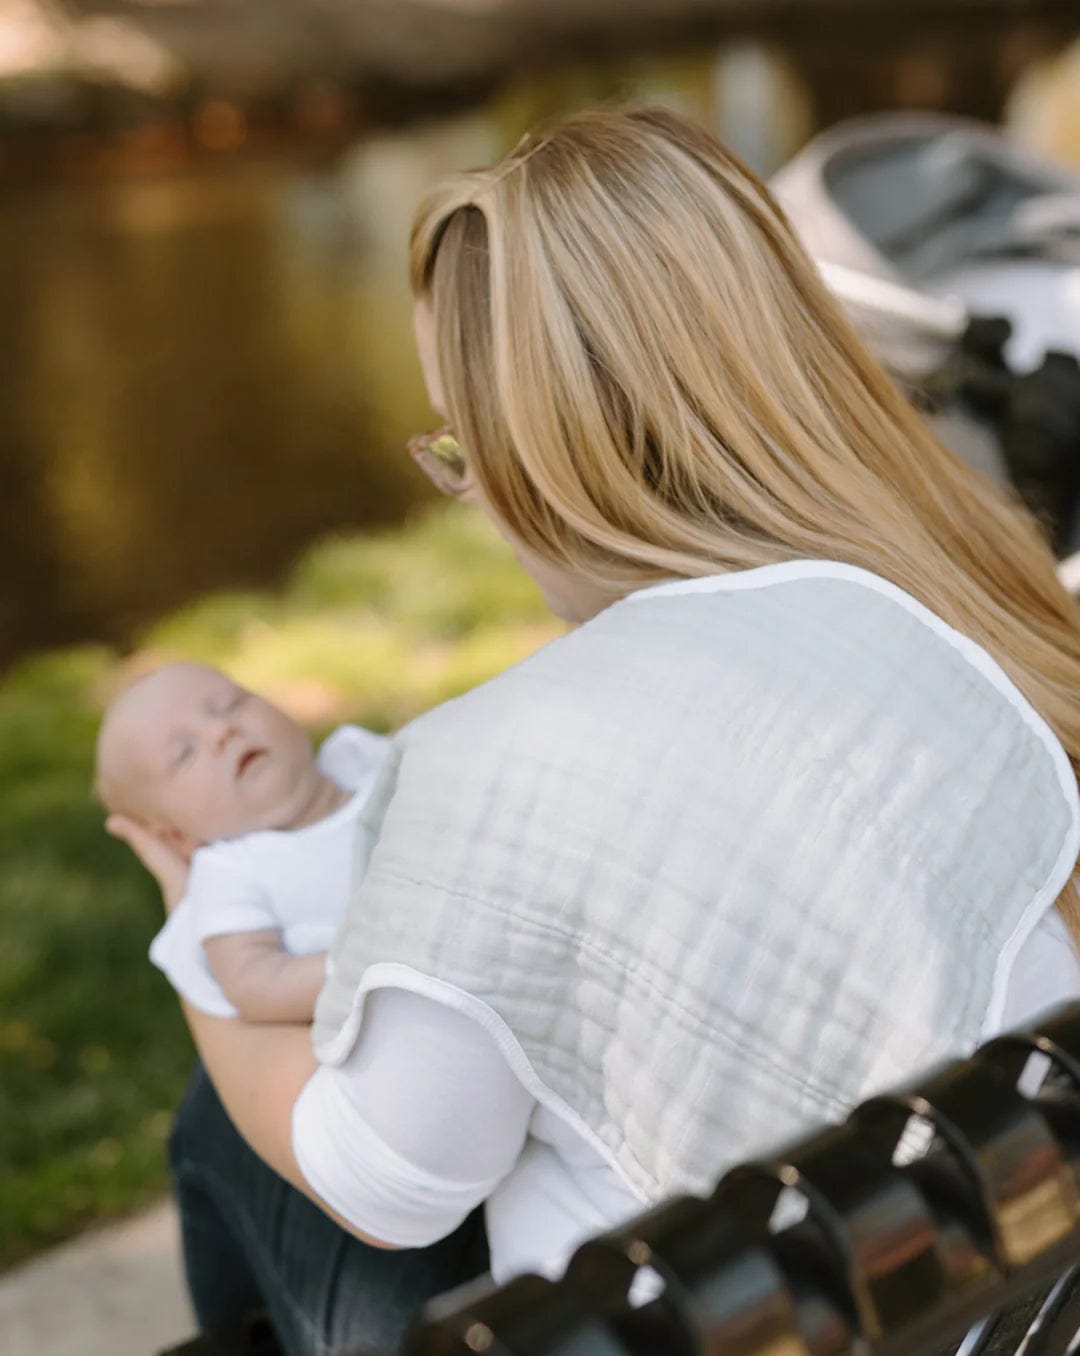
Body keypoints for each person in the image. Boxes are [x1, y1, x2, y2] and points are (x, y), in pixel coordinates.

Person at [108, 106, 1080, 1356]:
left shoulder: (513, 763)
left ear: (539, 455)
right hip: (1016, 1295)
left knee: (226, 1126)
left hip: (749, 1321)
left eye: (461, 450)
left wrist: (201, 947)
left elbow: (392, 1181)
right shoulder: (984, 600)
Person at [96, 661, 389, 1022]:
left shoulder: (363, 756)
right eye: (185, 753)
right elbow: (254, 983)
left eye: (230, 704)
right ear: (178, 836)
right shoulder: (231, 871)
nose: (223, 729)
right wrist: (372, 962)